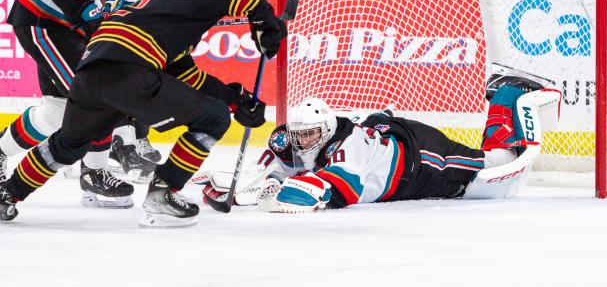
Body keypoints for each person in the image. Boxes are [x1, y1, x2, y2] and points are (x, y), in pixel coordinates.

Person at [0, 0, 288, 227]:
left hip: (89, 74)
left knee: (67, 144)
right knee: (213, 120)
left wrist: (233, 100)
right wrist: (265, 22)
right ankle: (163, 192)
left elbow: (187, 77)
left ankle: (9, 194)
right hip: (130, 71)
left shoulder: (154, 9)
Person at [0, 0, 167, 208]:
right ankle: (94, 173)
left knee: (56, 111)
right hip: (44, 22)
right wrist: (89, 17)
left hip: (59, 24)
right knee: (97, 94)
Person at [203, 70, 561, 213]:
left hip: (421, 159)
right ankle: (504, 98)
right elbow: (262, 169)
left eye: (310, 134)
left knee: (501, 170)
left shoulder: (347, 149)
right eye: (299, 134)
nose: (302, 141)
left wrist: (285, 189)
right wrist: (236, 187)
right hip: (390, 141)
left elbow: (342, 185)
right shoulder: (290, 139)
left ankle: (509, 97)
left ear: (325, 130)